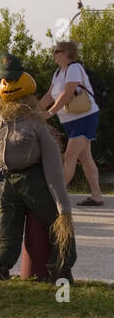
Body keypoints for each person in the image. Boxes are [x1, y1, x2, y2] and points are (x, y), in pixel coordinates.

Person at [0, 55, 75, 283]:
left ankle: (61, 270)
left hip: (35, 180)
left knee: (56, 222)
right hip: (10, 182)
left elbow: (53, 166)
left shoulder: (34, 124)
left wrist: (63, 205)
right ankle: (0, 267)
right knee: (8, 226)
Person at [41, 40, 103, 207]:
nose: (54, 54)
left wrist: (49, 113)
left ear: (66, 53)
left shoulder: (74, 68)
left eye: (57, 51)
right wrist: (34, 111)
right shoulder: (58, 72)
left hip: (85, 118)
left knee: (70, 155)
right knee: (85, 158)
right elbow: (50, 95)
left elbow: (67, 93)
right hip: (72, 121)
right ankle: (97, 196)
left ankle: (55, 195)